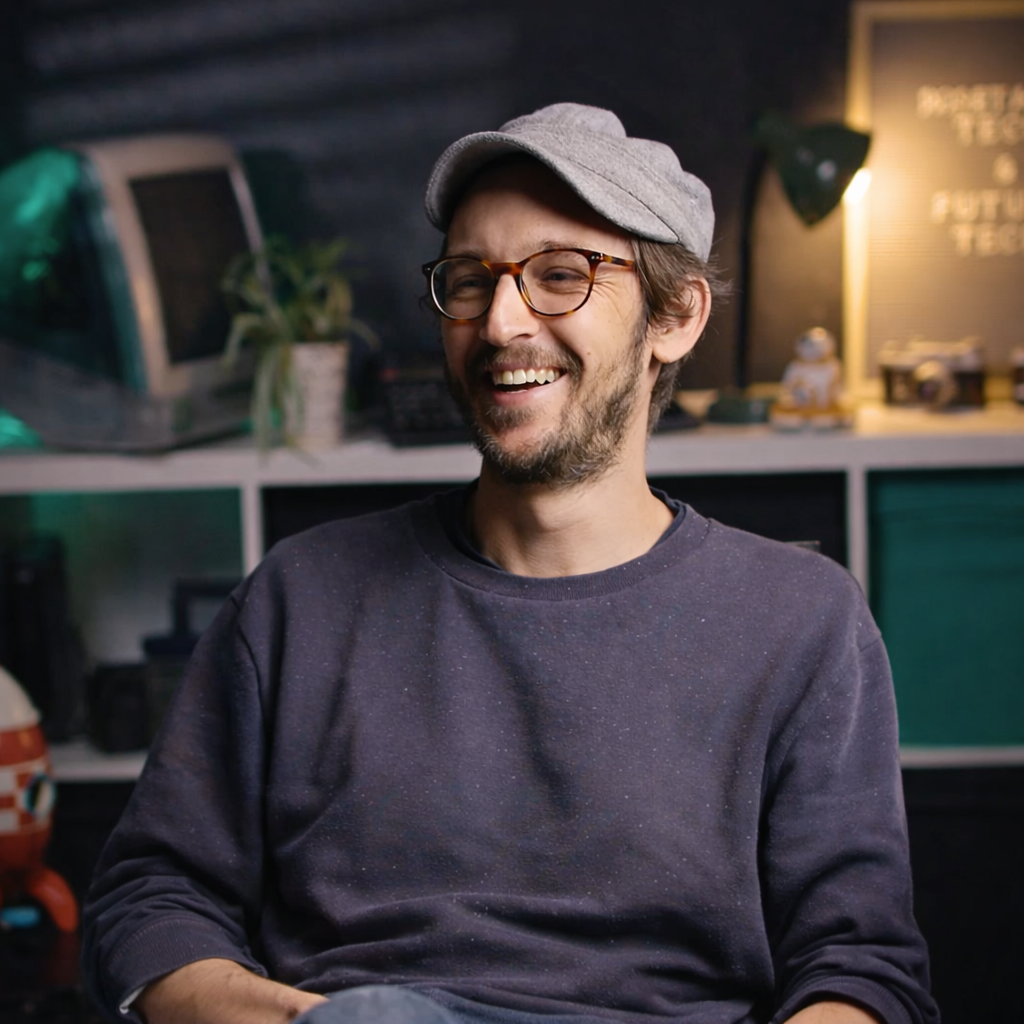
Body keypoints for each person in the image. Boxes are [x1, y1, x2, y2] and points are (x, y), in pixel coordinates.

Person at [81, 103, 937, 1024]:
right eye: (468, 281)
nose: (499, 324)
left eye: (559, 276)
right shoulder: (302, 597)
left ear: (676, 316)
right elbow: (149, 903)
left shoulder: (800, 618)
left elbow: (860, 964)